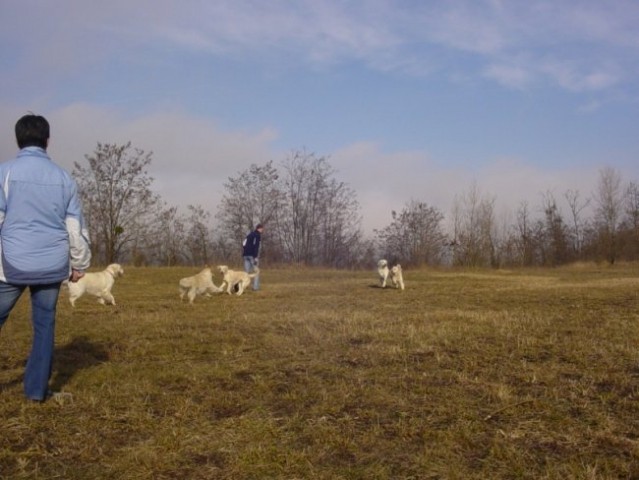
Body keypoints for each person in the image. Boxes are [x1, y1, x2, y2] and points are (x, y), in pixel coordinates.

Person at [0, 114, 91, 402]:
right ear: (47, 140)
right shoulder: (63, 178)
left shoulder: (5, 173)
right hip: (52, 265)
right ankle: (37, 392)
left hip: (10, 265)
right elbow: (75, 228)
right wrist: (79, 264)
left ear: (18, 139)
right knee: (44, 328)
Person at [242, 224, 264, 291]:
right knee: (256, 271)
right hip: (252, 256)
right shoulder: (257, 235)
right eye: (262, 229)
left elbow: (243, 243)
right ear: (259, 229)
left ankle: (243, 286)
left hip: (245, 255)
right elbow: (256, 246)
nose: (262, 230)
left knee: (246, 272)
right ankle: (255, 287)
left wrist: (246, 250)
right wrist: (255, 256)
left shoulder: (249, 235)